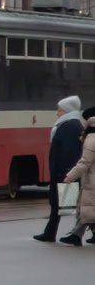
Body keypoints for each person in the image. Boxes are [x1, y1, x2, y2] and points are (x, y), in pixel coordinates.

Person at [34, 96, 83, 243]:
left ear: (67, 110)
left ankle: (53, 233)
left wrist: (65, 172)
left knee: (63, 204)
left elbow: (68, 151)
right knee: (59, 204)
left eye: (59, 110)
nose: (57, 113)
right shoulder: (69, 124)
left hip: (64, 172)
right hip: (63, 171)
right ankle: (53, 233)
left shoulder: (69, 126)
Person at [59, 106, 95, 246]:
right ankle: (76, 235)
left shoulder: (92, 139)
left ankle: (75, 235)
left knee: (87, 209)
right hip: (90, 180)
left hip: (92, 180)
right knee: (86, 208)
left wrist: (70, 176)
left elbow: (85, 162)